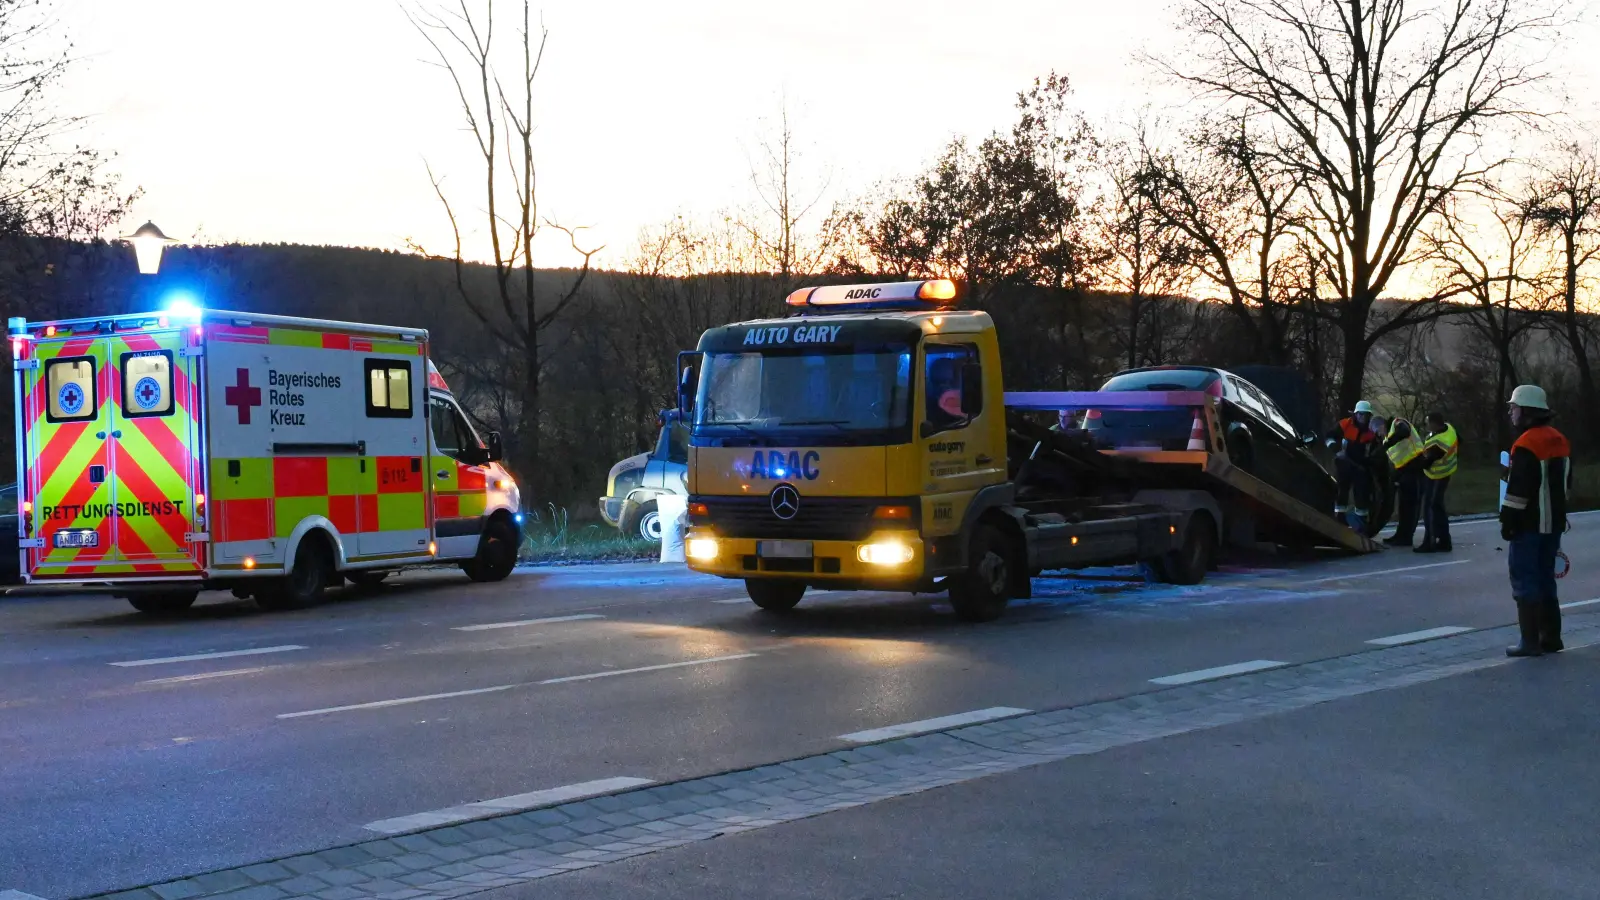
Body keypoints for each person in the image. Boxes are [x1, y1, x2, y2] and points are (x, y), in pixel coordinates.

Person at [1501, 385, 1571, 657]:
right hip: (1553, 525)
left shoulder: (1527, 443)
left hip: (1528, 525)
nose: (1511, 412)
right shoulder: (1560, 439)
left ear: (1527, 411)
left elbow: (1519, 490)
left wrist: (1507, 521)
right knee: (1545, 579)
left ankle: (1529, 642)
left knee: (1524, 580)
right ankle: (1551, 638)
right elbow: (1567, 484)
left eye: (1514, 408)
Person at [1324, 400, 1379, 532]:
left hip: (1361, 467)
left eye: (1366, 415)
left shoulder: (1372, 431)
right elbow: (1329, 437)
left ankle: (1361, 525)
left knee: (1361, 495)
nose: (1363, 417)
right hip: (1343, 465)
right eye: (1361, 414)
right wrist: (1335, 448)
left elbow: (1375, 450)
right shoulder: (1345, 424)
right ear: (1355, 414)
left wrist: (1369, 463)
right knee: (1341, 492)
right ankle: (1339, 521)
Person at [1412, 413, 1458, 553]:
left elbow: (1426, 463)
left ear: (1434, 424)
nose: (1426, 426)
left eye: (1427, 423)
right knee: (1438, 506)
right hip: (1446, 472)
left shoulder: (1438, 443)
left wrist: (1412, 465)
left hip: (1437, 475)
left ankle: (1429, 542)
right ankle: (1444, 541)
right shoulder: (1449, 429)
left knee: (1430, 508)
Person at [1381, 414, 1428, 547]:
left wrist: (1388, 443)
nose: (1378, 433)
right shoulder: (1387, 437)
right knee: (1403, 506)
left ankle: (1406, 537)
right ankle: (1400, 535)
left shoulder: (1397, 423)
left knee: (1410, 505)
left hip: (1416, 466)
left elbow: (1404, 431)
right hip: (1405, 470)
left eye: (1378, 429)